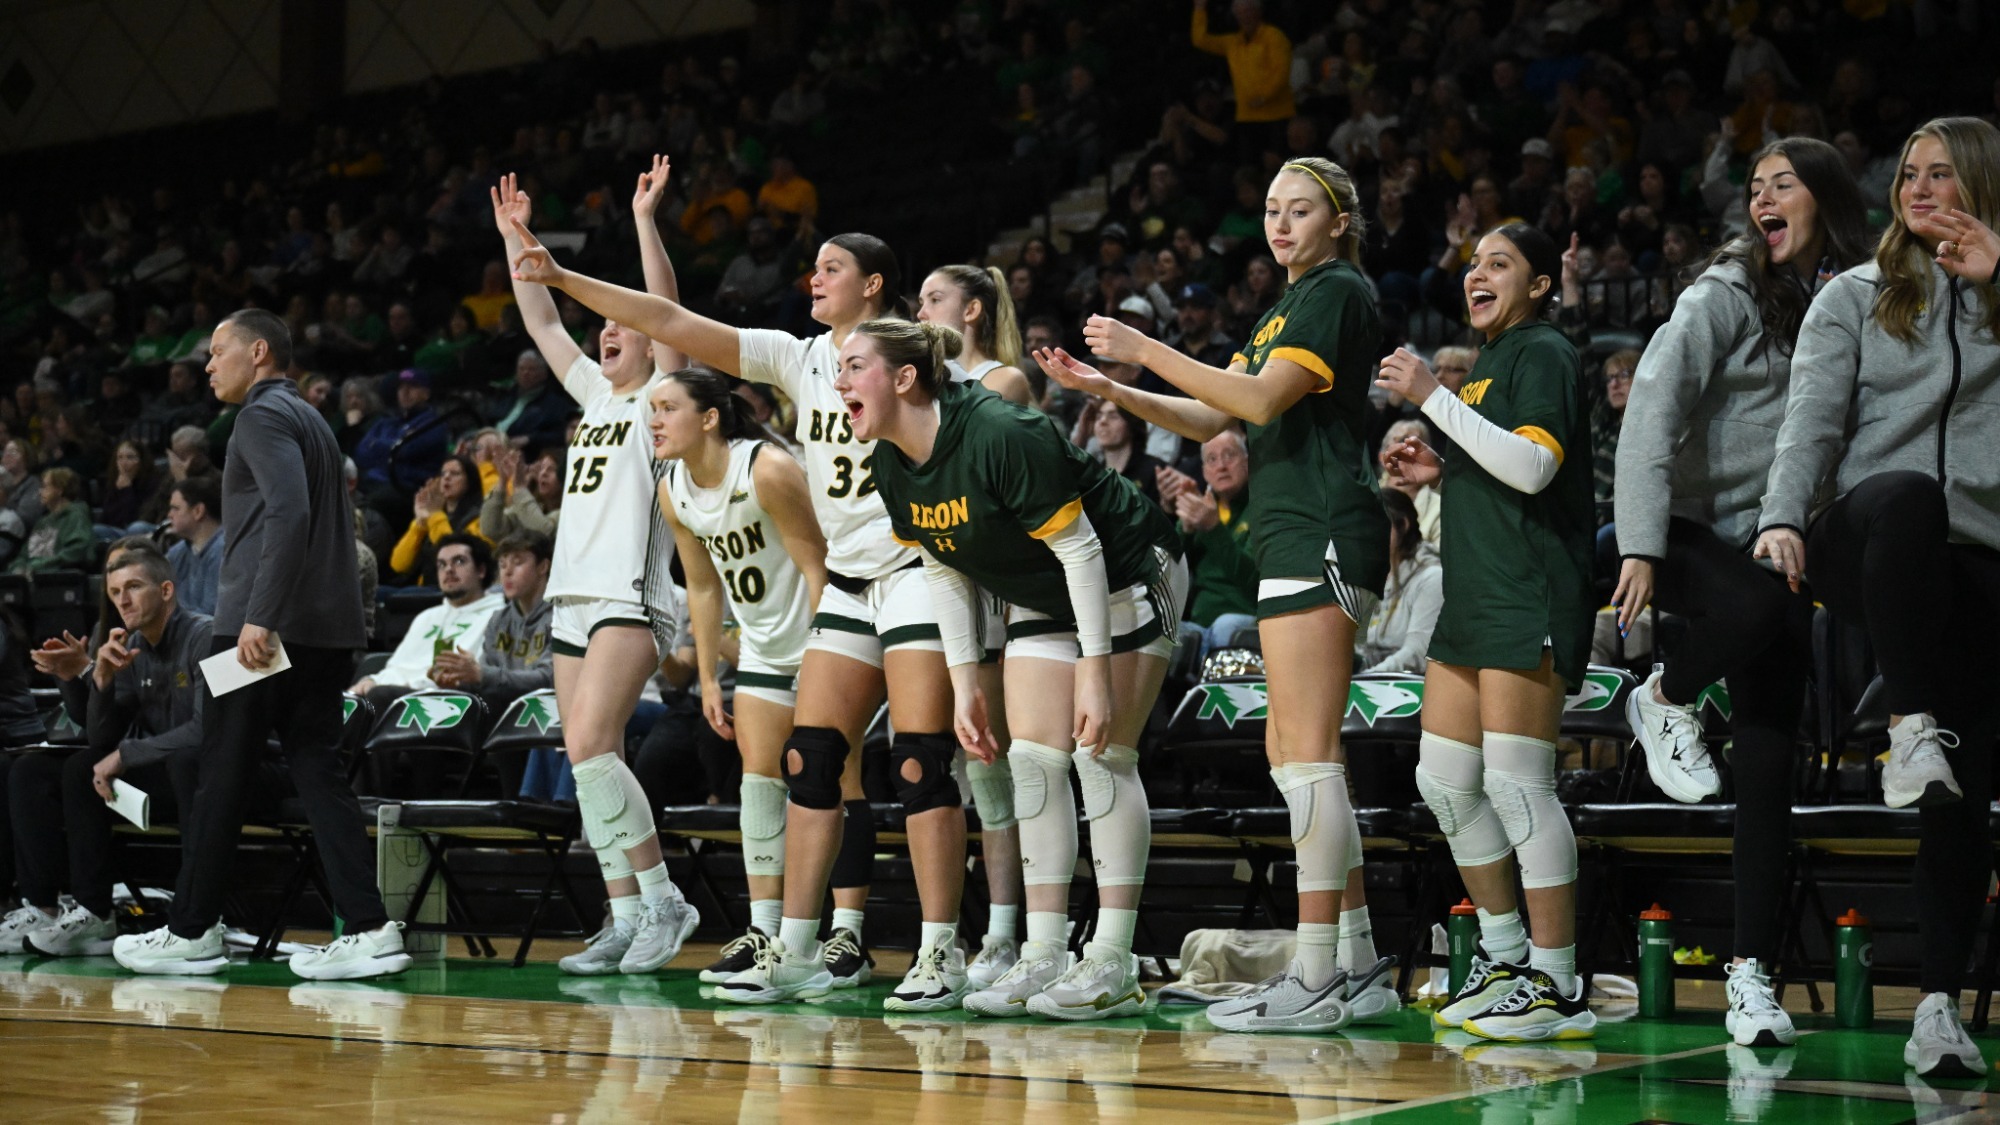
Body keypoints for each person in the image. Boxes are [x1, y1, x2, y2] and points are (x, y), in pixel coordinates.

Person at [507, 217, 967, 1010]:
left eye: (831, 267)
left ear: (873, 286)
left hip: (914, 568)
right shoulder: (800, 358)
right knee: (808, 762)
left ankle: (937, 947)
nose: (813, 277)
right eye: (813, 266)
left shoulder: (910, 367)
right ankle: (792, 944)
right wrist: (559, 278)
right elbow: (672, 321)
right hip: (846, 585)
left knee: (919, 764)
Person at [1037, 158, 1396, 1033]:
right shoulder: (1284, 307)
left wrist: (1144, 347)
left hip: (1322, 526)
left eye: (1300, 209)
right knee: (1293, 752)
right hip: (1287, 531)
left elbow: (1262, 401)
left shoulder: (1336, 291)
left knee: (1307, 755)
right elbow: (1212, 417)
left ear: (1339, 221)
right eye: (1271, 208)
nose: (1280, 224)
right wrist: (1111, 388)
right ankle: (1355, 962)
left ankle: (1317, 971)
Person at [1754, 117, 2000, 1079]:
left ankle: (1937, 1009)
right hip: (1865, 540)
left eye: (1942, 174)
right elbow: (1809, 422)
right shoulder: (1854, 294)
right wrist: (1781, 516)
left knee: (1962, 796)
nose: (1919, 189)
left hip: (1971, 564)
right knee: (1907, 494)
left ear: (1982, 183)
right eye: (1908, 174)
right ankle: (1905, 720)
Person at [853, 319, 1187, 1020]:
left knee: (1102, 757)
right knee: (1032, 762)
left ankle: (1113, 958)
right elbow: (944, 566)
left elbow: (1083, 551)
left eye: (855, 367)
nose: (839, 382)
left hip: (1126, 571)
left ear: (905, 378)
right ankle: (1044, 951)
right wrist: (965, 683)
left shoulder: (1002, 431)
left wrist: (1094, 668)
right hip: (1040, 590)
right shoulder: (890, 462)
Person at [111, 308, 410, 981]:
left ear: (259, 352)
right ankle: (368, 928)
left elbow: (290, 513)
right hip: (325, 631)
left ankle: (192, 930)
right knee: (317, 771)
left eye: (218, 351)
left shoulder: (259, 416)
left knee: (218, 769)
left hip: (259, 629)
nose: (208, 364)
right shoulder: (312, 420)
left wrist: (260, 615)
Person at [1375, 222, 1595, 1041]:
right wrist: (1445, 469)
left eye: (1500, 263)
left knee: (1517, 785)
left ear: (1539, 285)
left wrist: (1431, 395)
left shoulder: (1544, 350)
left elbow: (1537, 467)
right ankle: (1505, 958)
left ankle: (1559, 980)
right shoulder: (1494, 361)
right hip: (1474, 598)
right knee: (1444, 782)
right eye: (1473, 262)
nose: (1478, 273)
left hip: (1527, 591)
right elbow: (1503, 461)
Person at [491, 164, 701, 977]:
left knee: (590, 743)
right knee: (587, 759)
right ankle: (624, 914)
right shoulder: (593, 395)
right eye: (603, 328)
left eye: (621, 326)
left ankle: (664, 898)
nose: (607, 333)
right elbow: (543, 318)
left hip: (632, 594)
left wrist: (645, 219)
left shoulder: (661, 399)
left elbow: (666, 309)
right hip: (573, 598)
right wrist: (516, 238)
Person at [649, 367, 827, 985]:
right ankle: (764, 930)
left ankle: (844, 932)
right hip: (761, 652)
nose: (654, 421)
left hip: (820, 640)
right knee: (759, 785)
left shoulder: (766, 469)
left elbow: (817, 564)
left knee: (833, 783)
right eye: (652, 410)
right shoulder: (672, 487)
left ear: (709, 418)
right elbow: (702, 587)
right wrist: (706, 677)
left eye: (667, 408)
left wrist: (824, 652)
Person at [913, 260, 1036, 984]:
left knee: (999, 771)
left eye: (935, 299)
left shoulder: (1002, 382)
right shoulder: (923, 392)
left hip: (998, 590)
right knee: (947, 768)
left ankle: (1008, 934)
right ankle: (956, 933)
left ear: (973, 311)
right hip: (937, 585)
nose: (921, 311)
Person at [4, 548, 209, 956]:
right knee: (30, 770)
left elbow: (209, 731)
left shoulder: (206, 636)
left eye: (133, 587)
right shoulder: (132, 645)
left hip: (207, 775)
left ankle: (95, 911)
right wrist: (95, 677)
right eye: (115, 592)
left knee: (84, 769)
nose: (122, 601)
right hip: (162, 769)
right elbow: (101, 736)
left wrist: (126, 755)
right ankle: (42, 907)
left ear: (166, 590)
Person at [350, 535, 503, 703]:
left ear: (481, 570)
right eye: (442, 564)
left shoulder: (497, 615)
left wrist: (392, 687)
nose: (449, 569)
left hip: (446, 701)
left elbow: (477, 677)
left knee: (378, 696)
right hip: (393, 695)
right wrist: (372, 680)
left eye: (459, 561)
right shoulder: (426, 617)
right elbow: (397, 667)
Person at [432, 530, 553, 718]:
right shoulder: (498, 619)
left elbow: (548, 679)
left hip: (546, 713)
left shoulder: (562, 617)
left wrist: (481, 675)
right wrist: (458, 681)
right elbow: (485, 678)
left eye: (517, 563)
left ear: (543, 566)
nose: (507, 572)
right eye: (502, 565)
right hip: (502, 712)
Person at [1161, 429, 1258, 655]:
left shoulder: (1260, 508)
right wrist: (1186, 530)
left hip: (1245, 617)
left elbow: (1255, 579)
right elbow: (1167, 575)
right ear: (1204, 472)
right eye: (1212, 459)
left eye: (1229, 455)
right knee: (1158, 631)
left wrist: (1213, 529)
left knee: (1224, 626)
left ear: (1247, 462)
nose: (1221, 466)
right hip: (1200, 624)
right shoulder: (1201, 509)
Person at [1358, 488, 1442, 675]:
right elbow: (1361, 650)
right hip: (1370, 680)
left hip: (1411, 686)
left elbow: (1417, 653)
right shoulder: (1371, 575)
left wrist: (1365, 677)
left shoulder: (1432, 578)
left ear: (1403, 525)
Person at [387, 454, 487, 586]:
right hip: (427, 587)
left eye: (455, 473)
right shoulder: (434, 515)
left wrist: (435, 514)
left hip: (456, 587)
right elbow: (399, 565)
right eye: (443, 473)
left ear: (470, 481)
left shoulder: (478, 516)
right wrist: (420, 523)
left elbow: (452, 552)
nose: (446, 477)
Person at [8, 469, 94, 574]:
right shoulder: (42, 522)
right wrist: (18, 567)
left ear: (59, 490)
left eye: (45, 487)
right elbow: (24, 554)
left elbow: (76, 552)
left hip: (61, 578)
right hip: (34, 576)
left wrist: (36, 566)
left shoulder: (76, 517)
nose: (40, 492)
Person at [163, 475, 225, 616]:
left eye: (176, 508)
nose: (169, 515)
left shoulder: (223, 551)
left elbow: (211, 615)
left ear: (198, 511)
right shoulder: (179, 551)